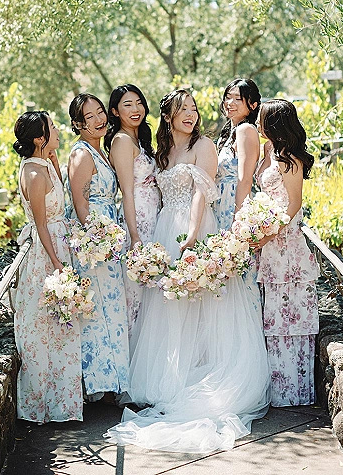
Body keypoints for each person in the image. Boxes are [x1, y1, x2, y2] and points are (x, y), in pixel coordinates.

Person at [106, 88, 270, 453]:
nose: (191, 114)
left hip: (195, 227)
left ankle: (203, 374)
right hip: (165, 228)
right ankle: (171, 380)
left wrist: (193, 235)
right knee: (170, 306)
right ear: (168, 116)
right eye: (183, 109)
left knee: (203, 302)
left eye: (194, 109)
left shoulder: (204, 146)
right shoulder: (163, 152)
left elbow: (200, 194)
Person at [12, 110, 83, 423]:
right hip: (46, 252)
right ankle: (41, 405)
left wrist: (54, 160)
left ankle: (63, 404)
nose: (58, 131)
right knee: (45, 328)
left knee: (61, 328)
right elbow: (40, 224)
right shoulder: (34, 174)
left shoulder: (45, 164)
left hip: (59, 244)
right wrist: (56, 262)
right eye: (52, 128)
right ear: (39, 138)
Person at [256, 99, 320, 406]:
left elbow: (293, 204)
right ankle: (278, 390)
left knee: (292, 319)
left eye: (262, 119)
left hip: (286, 244)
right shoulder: (270, 153)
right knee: (275, 319)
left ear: (274, 124)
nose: (257, 123)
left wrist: (270, 232)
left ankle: (294, 393)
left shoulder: (290, 159)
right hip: (270, 245)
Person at [67, 93, 129, 400]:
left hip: (109, 234)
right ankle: (99, 384)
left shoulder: (100, 150)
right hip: (94, 241)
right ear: (78, 124)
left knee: (113, 308)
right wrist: (96, 239)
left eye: (100, 112)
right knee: (98, 310)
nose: (99, 119)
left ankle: (116, 379)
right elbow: (79, 201)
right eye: (89, 117)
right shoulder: (81, 154)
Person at [105, 84, 160, 340]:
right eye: (127, 104)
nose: (135, 109)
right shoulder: (122, 140)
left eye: (139, 102)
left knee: (151, 287)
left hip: (153, 214)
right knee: (136, 290)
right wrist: (135, 236)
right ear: (115, 111)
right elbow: (126, 191)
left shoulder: (140, 138)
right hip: (137, 217)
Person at [214, 78, 261, 231]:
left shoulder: (246, 130)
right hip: (219, 201)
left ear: (253, 105)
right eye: (228, 97)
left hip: (233, 204)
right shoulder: (228, 132)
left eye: (238, 99)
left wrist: (238, 220)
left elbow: (245, 180)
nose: (230, 102)